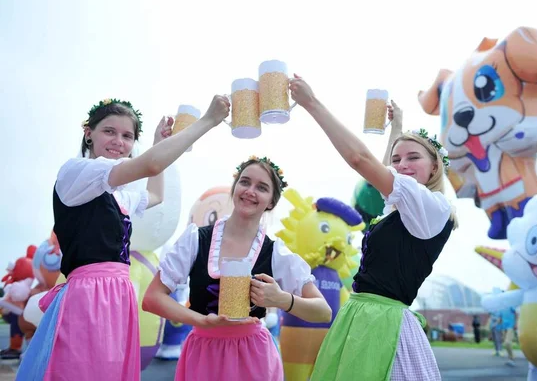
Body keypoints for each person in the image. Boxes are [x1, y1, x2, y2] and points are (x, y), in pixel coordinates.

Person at [16, 96, 230, 381]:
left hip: (118, 293)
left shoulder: (116, 194)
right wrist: (208, 121)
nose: (119, 140)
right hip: (87, 294)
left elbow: (155, 195)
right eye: (109, 131)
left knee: (110, 372)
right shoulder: (76, 172)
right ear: (88, 133)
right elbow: (151, 166)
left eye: (127, 136)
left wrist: (157, 143)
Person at [289, 75, 458, 381]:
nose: (402, 164)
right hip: (361, 316)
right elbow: (383, 177)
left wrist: (312, 103)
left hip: (383, 324)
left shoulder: (432, 206)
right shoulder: (405, 208)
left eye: (413, 157)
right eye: (396, 159)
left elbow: (360, 160)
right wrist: (396, 128)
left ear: (435, 166)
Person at [142, 156, 332, 381]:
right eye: (245, 182)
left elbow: (323, 312)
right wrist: (199, 320)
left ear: (271, 201)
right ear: (234, 188)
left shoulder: (276, 252)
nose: (250, 191)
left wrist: (282, 300)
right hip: (204, 353)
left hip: (254, 356)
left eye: (261, 188)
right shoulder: (196, 239)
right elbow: (152, 299)